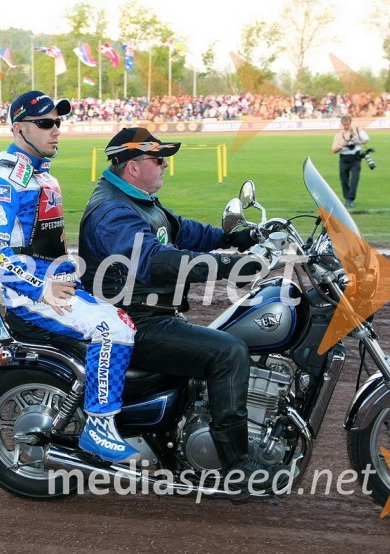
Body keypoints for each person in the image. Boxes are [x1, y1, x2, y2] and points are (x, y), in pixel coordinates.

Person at [78, 127, 286, 493]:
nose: (164, 166)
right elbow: (158, 261)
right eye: (158, 159)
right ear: (132, 167)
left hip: (153, 313)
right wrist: (229, 264)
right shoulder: (112, 212)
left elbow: (180, 230)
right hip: (133, 321)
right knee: (229, 352)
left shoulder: (137, 200)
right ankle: (237, 466)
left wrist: (237, 237)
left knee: (233, 335)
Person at [0, 90, 138, 463]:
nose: (55, 130)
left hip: (55, 285)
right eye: (45, 123)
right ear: (18, 129)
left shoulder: (39, 175)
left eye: (58, 123)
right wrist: (39, 286)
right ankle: (99, 426)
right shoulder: (2, 179)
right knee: (116, 328)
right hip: (26, 296)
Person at [331, 115, 369, 208]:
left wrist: (359, 142)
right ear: (342, 124)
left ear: (350, 123)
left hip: (356, 157)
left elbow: (367, 139)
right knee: (344, 179)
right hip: (344, 158)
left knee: (354, 179)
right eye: (344, 125)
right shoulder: (338, 135)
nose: (346, 126)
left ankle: (350, 199)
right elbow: (333, 150)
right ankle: (347, 198)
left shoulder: (357, 130)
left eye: (348, 124)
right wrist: (342, 146)